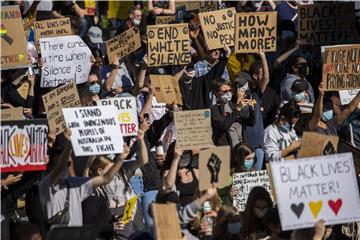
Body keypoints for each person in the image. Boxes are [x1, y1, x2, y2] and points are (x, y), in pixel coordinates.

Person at [38, 129, 125, 227]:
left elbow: (105, 178)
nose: (67, 166)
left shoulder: (75, 184)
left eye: (69, 163)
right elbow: (60, 167)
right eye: (66, 163)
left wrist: (121, 159)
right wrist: (70, 145)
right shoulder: (47, 183)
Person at [242, 51, 269, 171]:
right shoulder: (235, 100)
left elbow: (266, 78)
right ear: (254, 75)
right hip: (244, 145)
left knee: (257, 175)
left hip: (258, 143)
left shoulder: (256, 94)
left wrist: (262, 55)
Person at [210, 78, 255, 147]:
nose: (228, 93)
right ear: (216, 93)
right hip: (226, 149)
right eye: (225, 91)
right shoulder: (214, 109)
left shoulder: (233, 104)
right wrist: (238, 108)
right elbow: (224, 126)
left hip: (241, 147)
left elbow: (251, 123)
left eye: (230, 90)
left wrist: (252, 110)